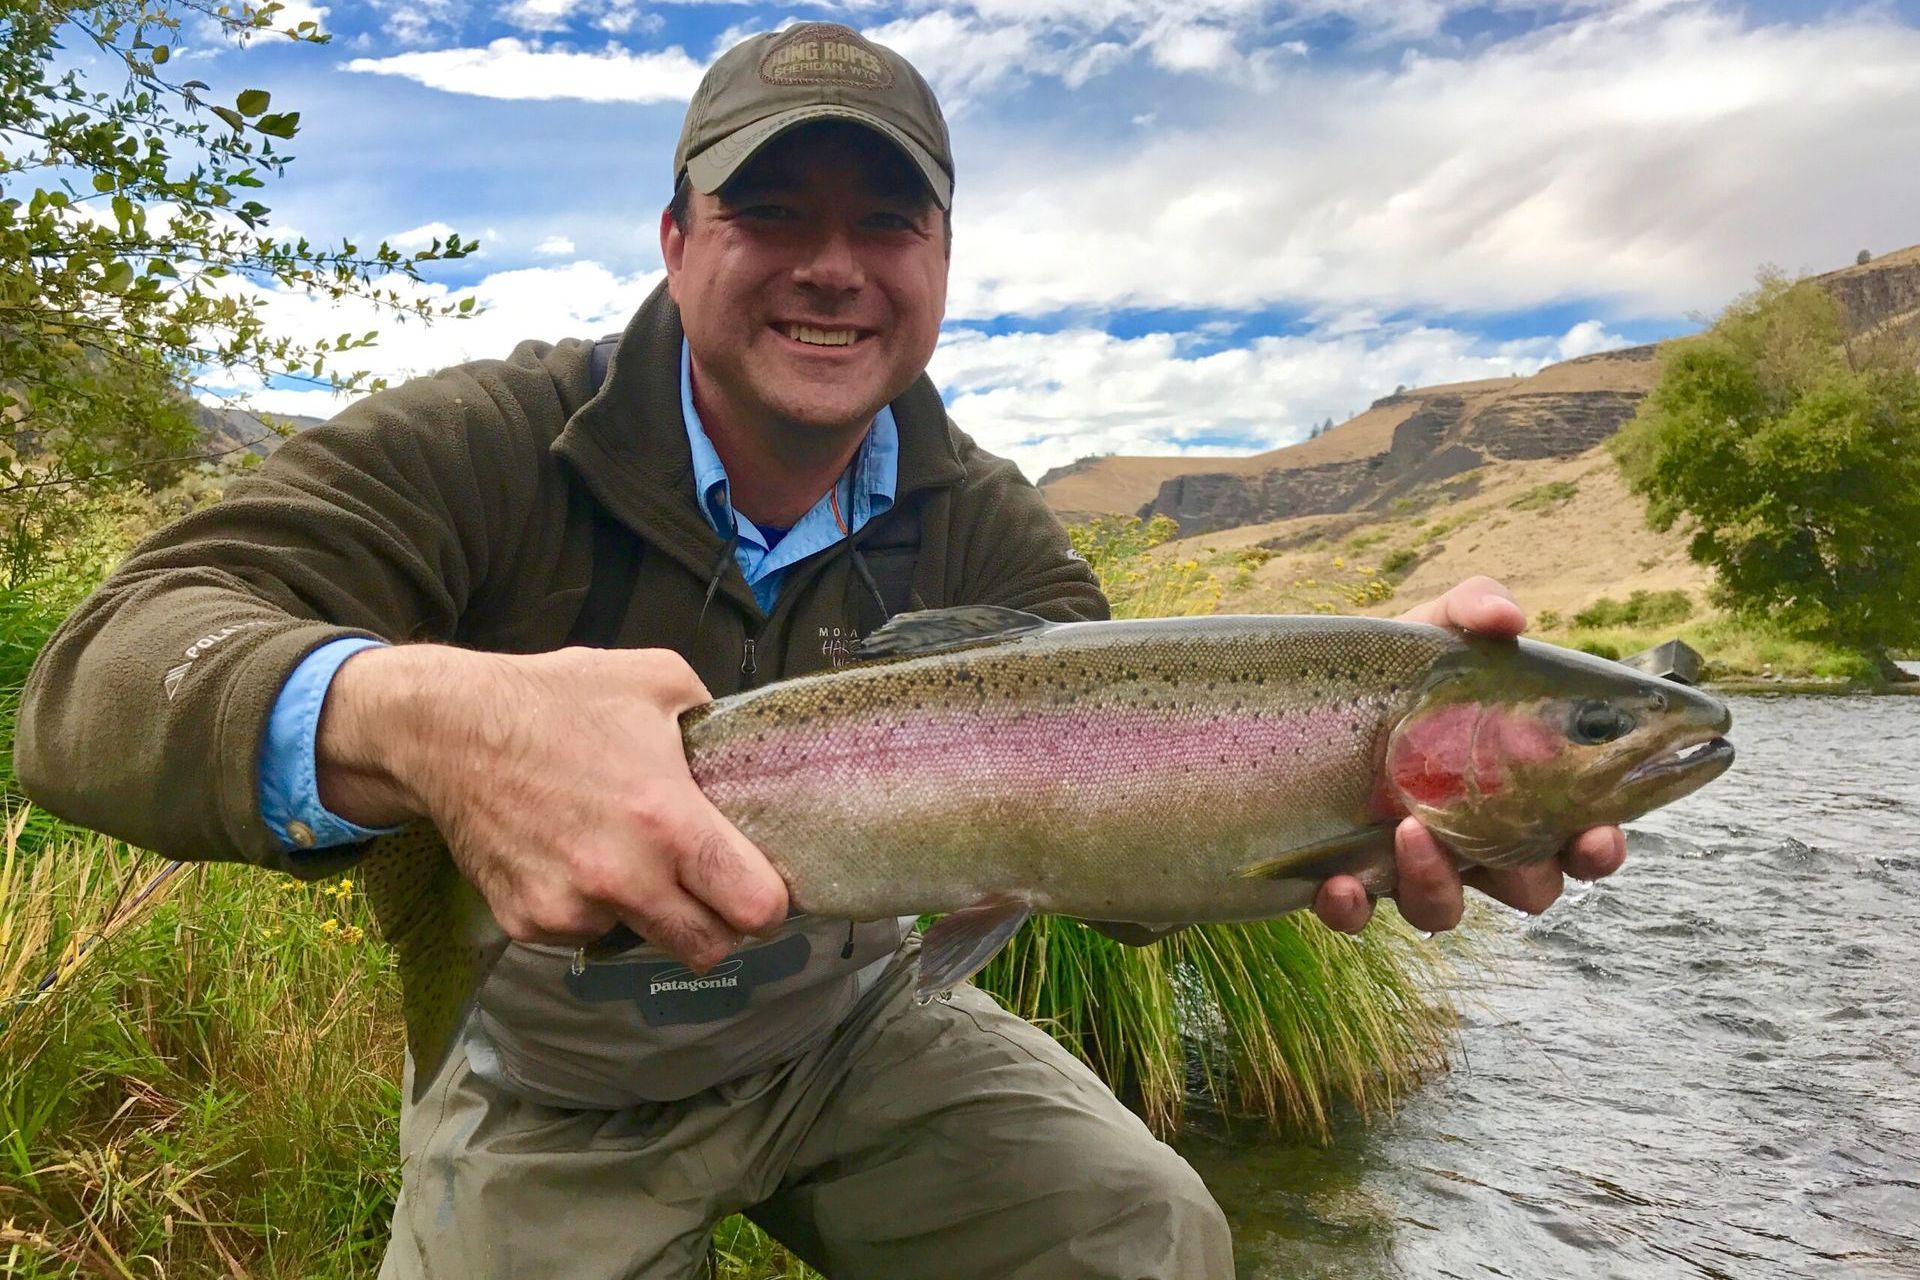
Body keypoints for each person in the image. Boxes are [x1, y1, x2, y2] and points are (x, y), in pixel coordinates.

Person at [15, 22, 1627, 1280]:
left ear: (939, 262)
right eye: (771, 210)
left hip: (857, 1031)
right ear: (673, 235)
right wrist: (426, 718)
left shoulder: (987, 523)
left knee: (1143, 1233)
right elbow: (93, 681)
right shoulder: (490, 442)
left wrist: (1326, 747)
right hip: (560, 1078)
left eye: (887, 221)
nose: (833, 264)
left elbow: (1112, 865)